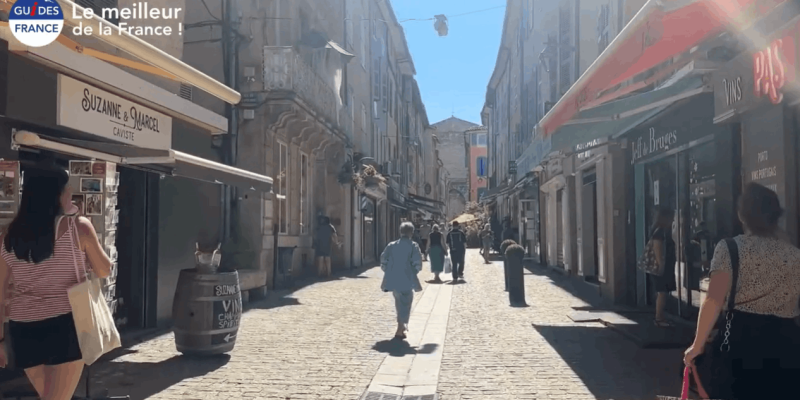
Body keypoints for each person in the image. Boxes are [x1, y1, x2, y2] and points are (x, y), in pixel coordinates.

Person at [0, 165, 112, 400]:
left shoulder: (7, 237)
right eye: (66, 189)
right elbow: (104, 270)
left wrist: (0, 339)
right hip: (67, 323)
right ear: (57, 194)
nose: (70, 193)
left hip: (24, 328)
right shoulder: (78, 227)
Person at [684, 183, 800, 400]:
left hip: (741, 342)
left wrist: (697, 345)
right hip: (788, 345)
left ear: (742, 215)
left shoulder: (730, 248)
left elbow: (713, 300)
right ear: (776, 216)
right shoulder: (795, 255)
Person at [380, 222, 423, 340]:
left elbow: (383, 259)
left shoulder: (391, 245)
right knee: (406, 303)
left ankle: (401, 326)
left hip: (394, 278)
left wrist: (388, 271)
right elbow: (418, 263)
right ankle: (401, 327)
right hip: (407, 278)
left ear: (400, 232)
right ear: (411, 233)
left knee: (398, 301)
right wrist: (413, 271)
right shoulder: (413, 246)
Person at [649, 206, 676, 328]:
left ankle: (660, 317)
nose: (673, 220)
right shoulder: (660, 232)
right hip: (662, 268)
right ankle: (659, 318)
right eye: (671, 218)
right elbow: (658, 248)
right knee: (662, 292)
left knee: (662, 292)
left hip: (664, 267)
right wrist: (661, 266)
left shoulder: (661, 231)